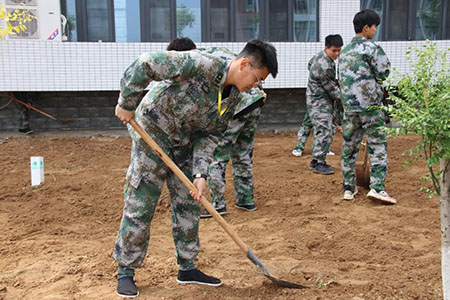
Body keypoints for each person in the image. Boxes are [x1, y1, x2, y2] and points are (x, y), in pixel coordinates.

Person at [113, 39, 278, 298]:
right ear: (245, 64)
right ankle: (126, 270)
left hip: (185, 142)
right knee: (141, 201)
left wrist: (201, 174)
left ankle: (187, 267)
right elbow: (146, 64)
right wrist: (127, 102)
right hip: (153, 132)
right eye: (258, 79)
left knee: (189, 201)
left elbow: (210, 135)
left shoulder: (233, 96)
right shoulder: (201, 64)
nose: (256, 86)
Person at [199, 47, 266, 218]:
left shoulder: (201, 60)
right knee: (243, 153)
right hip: (255, 102)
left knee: (218, 156)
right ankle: (245, 200)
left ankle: (217, 205)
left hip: (237, 106)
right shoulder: (222, 53)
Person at [339, 9, 396, 204]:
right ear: (366, 28)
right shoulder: (372, 48)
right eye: (375, 27)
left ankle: (349, 188)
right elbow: (384, 73)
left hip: (349, 107)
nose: (376, 31)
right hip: (370, 107)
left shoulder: (344, 51)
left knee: (348, 147)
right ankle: (377, 188)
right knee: (377, 145)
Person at [301, 34, 343, 175]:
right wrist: (349, 96)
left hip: (319, 99)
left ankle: (315, 160)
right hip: (319, 102)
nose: (337, 54)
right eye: (334, 50)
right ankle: (319, 162)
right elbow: (334, 92)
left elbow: (309, 65)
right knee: (325, 131)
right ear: (326, 48)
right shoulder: (324, 66)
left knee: (324, 130)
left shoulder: (319, 57)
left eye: (339, 50)